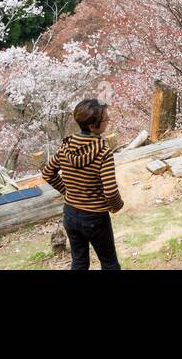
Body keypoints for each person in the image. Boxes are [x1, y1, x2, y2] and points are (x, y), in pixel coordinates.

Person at [41, 98, 124, 271]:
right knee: (109, 263)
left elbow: (47, 172)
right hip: (95, 217)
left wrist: (67, 191)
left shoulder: (66, 146)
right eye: (105, 120)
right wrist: (117, 206)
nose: (108, 122)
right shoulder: (103, 152)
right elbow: (110, 190)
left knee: (79, 263)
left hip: (70, 213)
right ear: (93, 126)